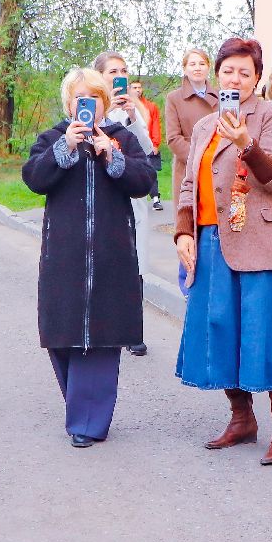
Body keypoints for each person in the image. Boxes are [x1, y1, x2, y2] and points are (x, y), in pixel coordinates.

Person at [173, 37, 272, 465]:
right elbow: (190, 184)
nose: (235, 79)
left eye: (245, 72)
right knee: (222, 328)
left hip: (256, 240)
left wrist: (247, 143)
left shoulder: (270, 115)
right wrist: (184, 232)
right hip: (211, 240)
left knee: (267, 332)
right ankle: (242, 418)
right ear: (217, 76)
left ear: (257, 78)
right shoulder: (205, 127)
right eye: (228, 71)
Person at [21, 67, 156, 447]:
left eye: (95, 97)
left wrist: (112, 155)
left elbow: (144, 181)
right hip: (64, 255)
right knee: (63, 335)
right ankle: (83, 407)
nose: (88, 104)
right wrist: (64, 148)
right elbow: (33, 179)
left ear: (105, 102)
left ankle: (87, 422)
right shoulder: (52, 138)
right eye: (81, 97)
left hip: (111, 255)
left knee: (102, 336)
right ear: (69, 103)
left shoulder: (121, 138)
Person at [94, 50, 155, 356]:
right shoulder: (92, 109)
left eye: (123, 70)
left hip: (132, 198)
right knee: (105, 263)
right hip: (103, 199)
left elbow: (148, 150)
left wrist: (132, 116)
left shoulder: (133, 109)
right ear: (100, 77)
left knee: (135, 264)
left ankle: (134, 331)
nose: (119, 76)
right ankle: (102, 327)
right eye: (112, 71)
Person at [164, 48, 217, 292]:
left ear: (208, 67)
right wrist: (201, 157)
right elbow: (173, 139)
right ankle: (188, 286)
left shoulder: (222, 97)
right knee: (188, 226)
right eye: (192, 64)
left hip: (220, 171)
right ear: (184, 69)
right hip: (189, 172)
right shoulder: (174, 98)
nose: (197, 68)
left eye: (201, 63)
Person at [130, 76, 164, 211]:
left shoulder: (150, 106)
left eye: (139, 87)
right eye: (134, 88)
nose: (137, 90)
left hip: (147, 144)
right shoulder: (125, 105)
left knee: (151, 171)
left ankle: (155, 198)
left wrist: (155, 143)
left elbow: (155, 125)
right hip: (131, 144)